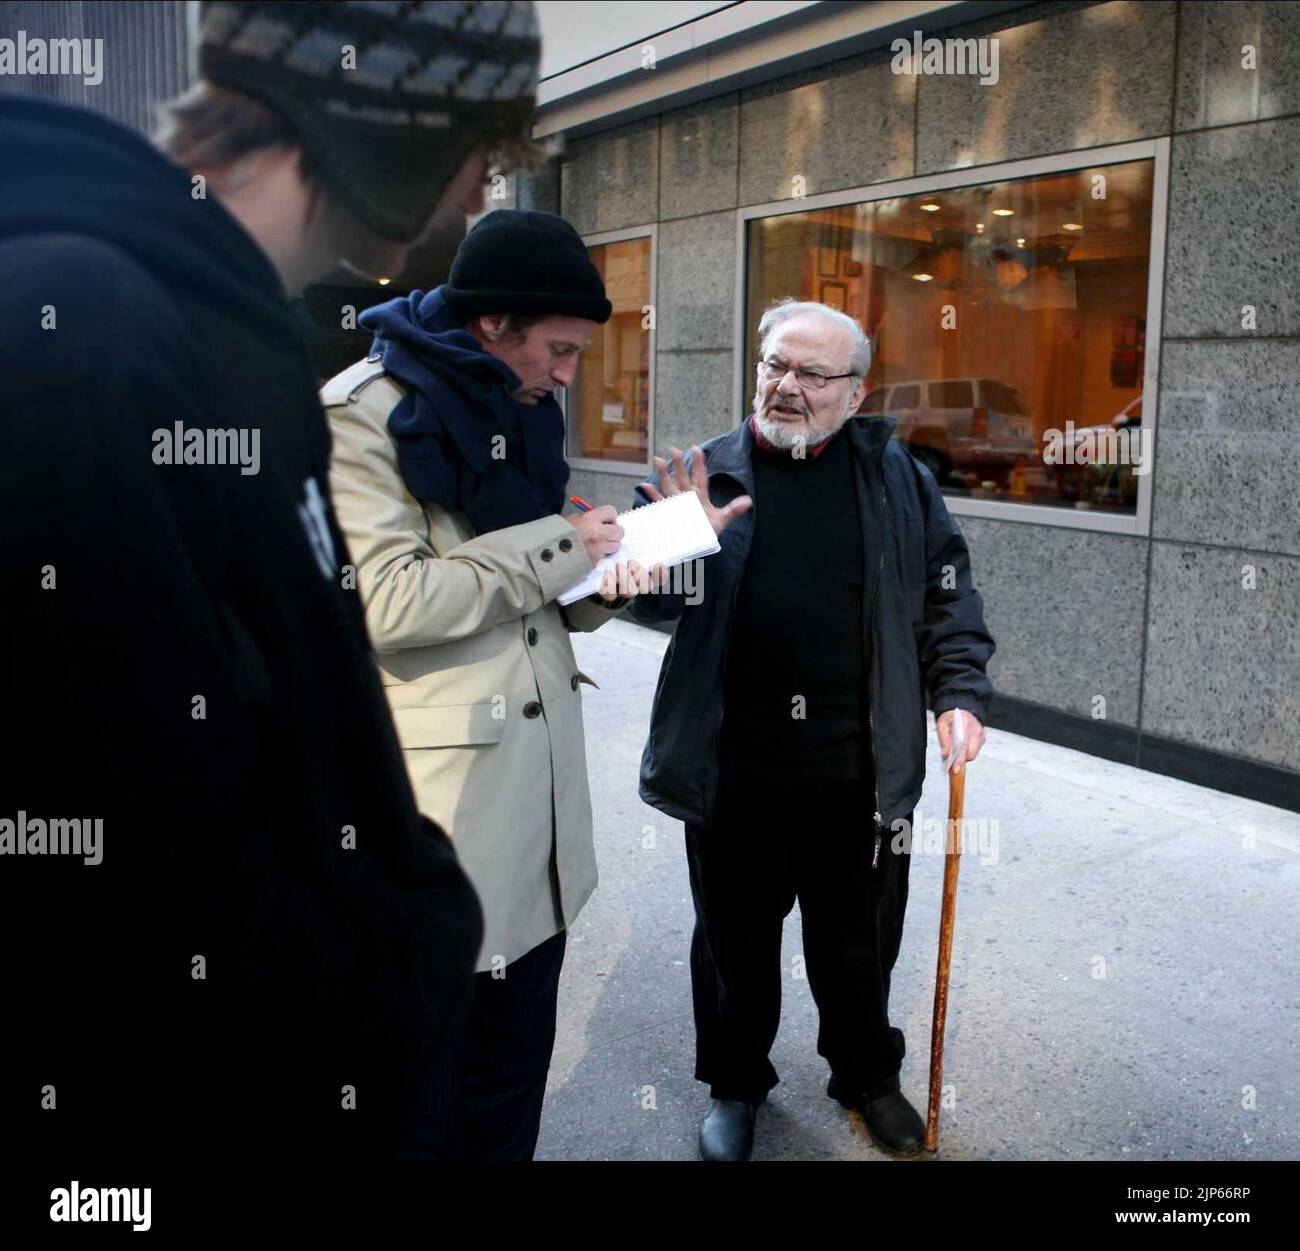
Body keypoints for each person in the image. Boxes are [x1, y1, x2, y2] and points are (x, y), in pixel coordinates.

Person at [0, 0, 545, 1167]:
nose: (480, 198)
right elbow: (124, 865)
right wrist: (396, 962)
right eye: (483, 151)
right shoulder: (78, 335)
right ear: (392, 121)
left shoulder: (232, 334)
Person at [322, 208, 744, 1159]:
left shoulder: (523, 411)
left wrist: (616, 573)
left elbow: (536, 599)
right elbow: (388, 601)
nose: (568, 374)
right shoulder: (363, 417)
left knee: (510, 1098)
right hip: (441, 834)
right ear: (491, 325)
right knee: (420, 1110)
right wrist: (564, 545)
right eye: (558, 350)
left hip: (540, 829)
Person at [626, 298, 996, 1161]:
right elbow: (640, 596)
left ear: (856, 394)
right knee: (733, 947)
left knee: (859, 946)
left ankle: (866, 1073)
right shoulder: (707, 474)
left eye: (811, 373)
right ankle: (735, 1083)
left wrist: (961, 693)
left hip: (860, 771)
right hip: (734, 769)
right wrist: (662, 550)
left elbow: (948, 596)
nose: (786, 387)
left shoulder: (898, 480)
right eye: (774, 366)